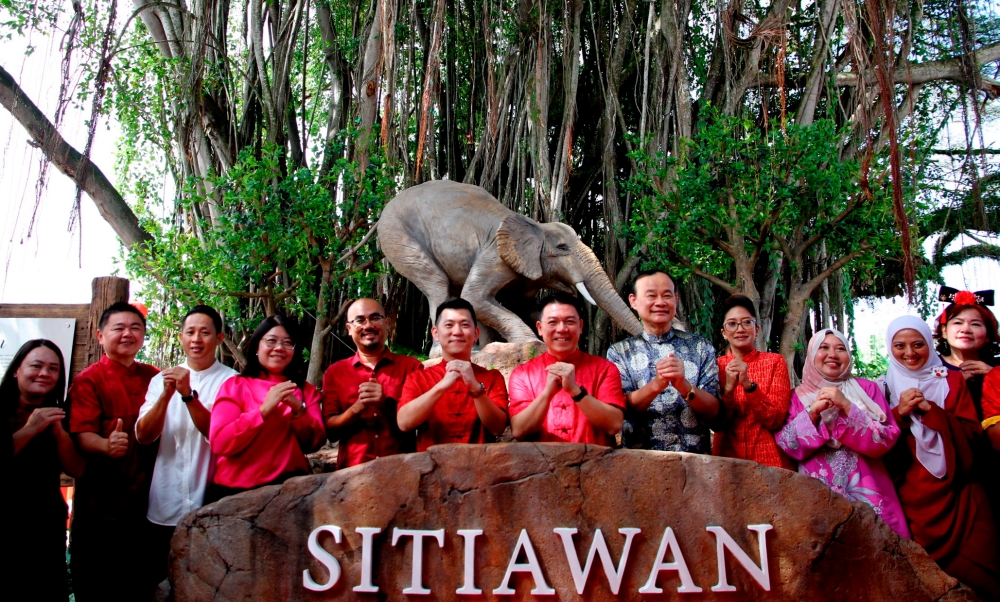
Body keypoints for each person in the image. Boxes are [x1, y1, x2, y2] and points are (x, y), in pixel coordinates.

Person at [883, 316, 1000, 598]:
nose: (909, 353)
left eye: (918, 344)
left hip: (960, 493)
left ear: (930, 344)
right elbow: (879, 441)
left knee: (987, 579)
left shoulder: (953, 380)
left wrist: (933, 412)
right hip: (911, 496)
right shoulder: (881, 387)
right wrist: (898, 414)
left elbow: (975, 436)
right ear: (890, 348)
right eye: (900, 345)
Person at [135, 305, 237, 586]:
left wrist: (188, 395)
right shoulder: (160, 380)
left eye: (205, 333)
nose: (196, 339)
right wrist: (167, 394)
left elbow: (219, 435)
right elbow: (144, 435)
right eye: (190, 332)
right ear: (180, 337)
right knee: (160, 579)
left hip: (212, 497)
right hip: (164, 499)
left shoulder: (232, 382)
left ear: (219, 339)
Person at [776, 328, 909, 539]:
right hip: (817, 491)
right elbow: (788, 445)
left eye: (840, 349)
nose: (833, 354)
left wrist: (848, 406)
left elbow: (886, 438)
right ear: (811, 356)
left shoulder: (868, 389)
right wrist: (813, 412)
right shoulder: (796, 397)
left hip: (869, 488)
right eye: (824, 347)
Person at [68, 301, 161, 602]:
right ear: (99, 336)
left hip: (147, 509)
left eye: (135, 328)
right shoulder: (88, 380)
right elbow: (82, 435)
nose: (127, 334)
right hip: (100, 512)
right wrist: (106, 445)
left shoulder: (155, 377)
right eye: (118, 328)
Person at [207, 315, 325, 501]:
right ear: (256, 346)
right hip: (234, 491)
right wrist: (263, 411)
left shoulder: (305, 390)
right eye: (271, 341)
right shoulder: (235, 386)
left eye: (288, 343)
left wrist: (299, 411)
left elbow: (313, 443)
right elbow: (220, 442)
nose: (279, 348)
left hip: (290, 490)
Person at [2, 340, 84, 601]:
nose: (44, 374)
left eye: (53, 368)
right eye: (36, 366)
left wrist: (59, 433)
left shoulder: (61, 413)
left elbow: (77, 468)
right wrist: (31, 429)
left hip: (44, 525)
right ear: (16, 369)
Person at [606, 269, 720, 452]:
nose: (660, 302)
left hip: (696, 463)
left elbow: (714, 411)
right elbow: (621, 409)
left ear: (676, 299)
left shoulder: (700, 347)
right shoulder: (620, 352)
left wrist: (684, 386)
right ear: (633, 301)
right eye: (651, 295)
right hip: (640, 462)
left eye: (667, 295)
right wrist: (656, 385)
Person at [508, 293, 625, 444]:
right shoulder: (523, 374)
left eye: (569, 321)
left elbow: (614, 425)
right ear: (540, 328)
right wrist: (547, 394)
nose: (562, 329)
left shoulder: (604, 369)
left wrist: (576, 391)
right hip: (540, 465)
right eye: (553, 322)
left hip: (595, 464)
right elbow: (519, 430)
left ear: (580, 326)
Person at [323, 298, 423, 468]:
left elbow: (420, 423)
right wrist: (356, 408)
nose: (368, 325)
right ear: (349, 329)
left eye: (375, 318)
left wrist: (386, 404)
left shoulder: (411, 367)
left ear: (387, 323)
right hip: (352, 476)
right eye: (360, 320)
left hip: (403, 472)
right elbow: (331, 432)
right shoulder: (335, 372)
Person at [397, 298, 508, 450]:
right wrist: (441, 386)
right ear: (435, 333)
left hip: (480, 468)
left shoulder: (492, 378)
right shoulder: (418, 377)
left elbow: (497, 428)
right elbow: (404, 423)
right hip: (431, 469)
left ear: (476, 334)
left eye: (465, 325)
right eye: (449, 325)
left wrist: (476, 389)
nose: (457, 332)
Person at [713, 294, 793, 469]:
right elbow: (717, 422)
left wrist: (749, 387)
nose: (740, 329)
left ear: (757, 329)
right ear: (724, 333)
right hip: (726, 462)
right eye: (732, 324)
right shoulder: (715, 367)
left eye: (747, 322)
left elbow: (775, 419)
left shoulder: (775, 362)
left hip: (771, 462)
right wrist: (728, 390)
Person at [934, 287, 999, 413]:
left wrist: (994, 376)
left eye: (975, 324)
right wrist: (954, 383)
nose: (965, 330)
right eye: (958, 323)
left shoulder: (997, 366)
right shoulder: (930, 366)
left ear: (988, 335)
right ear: (944, 331)